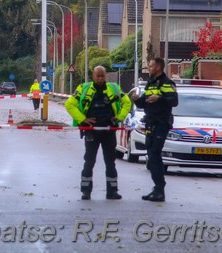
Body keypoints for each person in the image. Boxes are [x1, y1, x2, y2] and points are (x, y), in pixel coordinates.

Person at [65, 66, 131, 200]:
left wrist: (119, 117)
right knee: (89, 161)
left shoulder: (114, 88)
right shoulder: (83, 88)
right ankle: (86, 191)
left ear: (105, 75)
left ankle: (112, 191)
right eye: (98, 76)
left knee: (110, 161)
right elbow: (69, 104)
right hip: (91, 131)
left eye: (102, 76)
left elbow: (127, 102)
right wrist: (83, 119)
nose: (100, 78)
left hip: (109, 130)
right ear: (93, 76)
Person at [131, 57, 178, 202]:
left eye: (150, 65)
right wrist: (137, 99)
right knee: (151, 157)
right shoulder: (150, 83)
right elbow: (144, 104)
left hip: (161, 124)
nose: (149, 68)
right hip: (150, 123)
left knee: (155, 155)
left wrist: (159, 98)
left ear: (158, 67)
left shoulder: (166, 83)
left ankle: (159, 189)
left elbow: (174, 101)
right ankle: (157, 189)